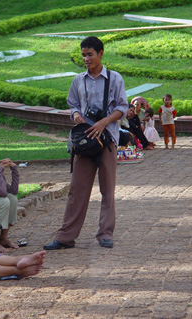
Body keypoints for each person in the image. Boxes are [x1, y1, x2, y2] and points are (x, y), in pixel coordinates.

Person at [43, 36, 128, 250]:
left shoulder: (114, 78)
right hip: (84, 141)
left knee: (107, 189)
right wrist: (76, 115)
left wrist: (103, 122)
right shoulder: (78, 80)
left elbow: (122, 107)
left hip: (107, 140)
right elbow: (72, 103)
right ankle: (65, 237)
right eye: (83, 55)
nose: (86, 59)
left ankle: (105, 233)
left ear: (101, 54)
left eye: (90, 54)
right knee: (77, 189)